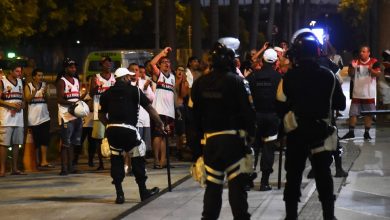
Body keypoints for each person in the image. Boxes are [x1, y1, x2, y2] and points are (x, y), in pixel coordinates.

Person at [277, 29, 346, 220]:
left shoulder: (288, 77)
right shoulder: (328, 76)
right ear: (317, 51)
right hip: (321, 133)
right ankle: (328, 215)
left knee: (293, 177)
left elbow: (279, 105)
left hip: (296, 133)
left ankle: (291, 215)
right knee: (324, 176)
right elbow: (340, 103)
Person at [192, 41, 256, 220]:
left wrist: (196, 151)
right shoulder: (238, 81)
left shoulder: (199, 84)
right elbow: (249, 112)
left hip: (211, 142)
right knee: (237, 190)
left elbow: (194, 118)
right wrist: (251, 139)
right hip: (234, 141)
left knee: (213, 188)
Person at [98, 67, 163, 204]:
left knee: (116, 160)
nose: (131, 78)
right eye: (129, 76)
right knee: (138, 156)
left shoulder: (106, 93)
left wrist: (110, 126)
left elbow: (101, 115)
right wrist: (160, 123)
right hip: (128, 130)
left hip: (112, 130)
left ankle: (119, 195)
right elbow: (149, 108)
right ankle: (143, 192)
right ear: (125, 78)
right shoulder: (134, 90)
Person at [246, 48, 282, 191]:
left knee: (253, 148)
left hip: (256, 117)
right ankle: (264, 182)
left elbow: (246, 94)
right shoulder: (278, 78)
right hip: (272, 117)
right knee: (268, 149)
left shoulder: (253, 76)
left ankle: (248, 180)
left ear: (262, 60)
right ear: (275, 62)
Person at [341, 46, 381, 140]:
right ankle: (351, 132)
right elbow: (350, 74)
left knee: (369, 114)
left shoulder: (374, 62)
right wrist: (353, 68)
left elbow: (378, 74)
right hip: (357, 93)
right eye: (361, 51)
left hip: (369, 93)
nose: (361, 53)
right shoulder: (355, 62)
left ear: (368, 53)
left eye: (364, 51)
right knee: (353, 113)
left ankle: (366, 133)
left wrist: (371, 70)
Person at [56, 58, 85, 175]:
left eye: (74, 67)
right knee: (65, 143)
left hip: (76, 115)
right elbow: (59, 99)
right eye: (71, 67)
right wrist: (72, 104)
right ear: (65, 68)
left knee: (73, 142)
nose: (73, 69)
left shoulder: (76, 80)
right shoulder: (61, 81)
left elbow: (77, 97)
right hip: (66, 115)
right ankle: (63, 168)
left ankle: (71, 167)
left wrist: (81, 100)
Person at [150, 47, 176, 169]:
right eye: (164, 62)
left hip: (169, 112)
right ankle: (156, 160)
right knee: (157, 135)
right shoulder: (158, 75)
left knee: (165, 136)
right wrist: (161, 54)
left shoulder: (173, 77)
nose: (167, 63)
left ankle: (163, 160)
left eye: (168, 62)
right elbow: (152, 63)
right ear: (160, 65)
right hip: (159, 110)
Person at [89, 56, 116, 170]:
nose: (108, 65)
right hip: (99, 111)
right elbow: (91, 94)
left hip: (113, 110)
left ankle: (114, 161)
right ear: (101, 65)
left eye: (110, 63)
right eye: (105, 63)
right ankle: (101, 163)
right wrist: (97, 86)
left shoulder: (115, 77)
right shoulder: (96, 77)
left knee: (114, 136)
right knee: (99, 138)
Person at [0, 62, 26, 176]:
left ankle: (14, 168)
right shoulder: (2, 81)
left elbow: (23, 98)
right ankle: (2, 169)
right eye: (17, 71)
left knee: (16, 144)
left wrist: (23, 104)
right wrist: (10, 105)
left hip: (19, 118)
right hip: (6, 118)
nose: (19, 73)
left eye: (20, 71)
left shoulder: (20, 81)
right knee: (4, 144)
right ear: (10, 71)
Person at [24, 68, 53, 168]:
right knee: (36, 141)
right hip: (33, 119)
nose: (41, 77)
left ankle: (44, 161)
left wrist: (46, 94)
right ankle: (35, 161)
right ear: (34, 77)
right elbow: (27, 99)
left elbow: (48, 98)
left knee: (45, 140)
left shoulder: (45, 85)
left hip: (45, 117)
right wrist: (35, 91)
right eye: (39, 75)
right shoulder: (28, 86)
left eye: (42, 75)